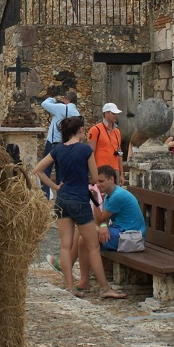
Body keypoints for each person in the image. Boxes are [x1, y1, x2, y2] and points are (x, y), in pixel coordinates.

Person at [34, 116, 125, 299]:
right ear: (81, 130)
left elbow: (38, 169)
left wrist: (55, 187)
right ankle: (105, 288)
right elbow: (93, 177)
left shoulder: (58, 149)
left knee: (65, 246)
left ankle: (70, 286)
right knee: (92, 247)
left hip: (62, 198)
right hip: (79, 199)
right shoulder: (85, 150)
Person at [94, 165, 145, 252]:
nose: (98, 185)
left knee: (86, 230)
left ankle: (67, 263)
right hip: (122, 232)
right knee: (83, 238)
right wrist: (103, 226)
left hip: (132, 237)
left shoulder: (117, 196)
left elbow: (99, 220)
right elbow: (104, 220)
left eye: (101, 181)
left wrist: (94, 200)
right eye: (97, 182)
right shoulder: (109, 196)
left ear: (111, 180)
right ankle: (68, 264)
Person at [39, 90, 80, 194]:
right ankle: (61, 199)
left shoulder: (61, 108)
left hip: (54, 143)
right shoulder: (77, 114)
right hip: (66, 144)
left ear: (66, 99)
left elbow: (44, 104)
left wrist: (53, 99)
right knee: (61, 174)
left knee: (45, 170)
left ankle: (45, 196)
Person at [87, 103, 124, 180]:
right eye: (113, 113)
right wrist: (92, 172)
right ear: (106, 113)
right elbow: (90, 153)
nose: (116, 116)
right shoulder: (95, 130)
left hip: (114, 170)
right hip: (100, 169)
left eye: (116, 113)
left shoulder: (117, 132)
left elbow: (119, 153)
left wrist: (121, 174)